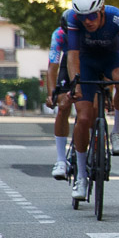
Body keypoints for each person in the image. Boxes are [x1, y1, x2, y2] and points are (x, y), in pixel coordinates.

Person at [63, 0, 119, 199]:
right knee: (84, 117)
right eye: (83, 17)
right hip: (86, 62)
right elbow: (73, 56)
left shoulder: (118, 19)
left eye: (92, 16)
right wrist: (75, 85)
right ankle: (81, 177)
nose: (88, 21)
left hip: (111, 59)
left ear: (102, 10)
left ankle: (116, 132)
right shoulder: (74, 20)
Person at [45, 18, 74, 179]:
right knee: (63, 106)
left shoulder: (90, 30)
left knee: (92, 107)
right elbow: (52, 67)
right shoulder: (59, 35)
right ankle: (61, 160)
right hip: (67, 62)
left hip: (89, 62)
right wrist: (51, 94)